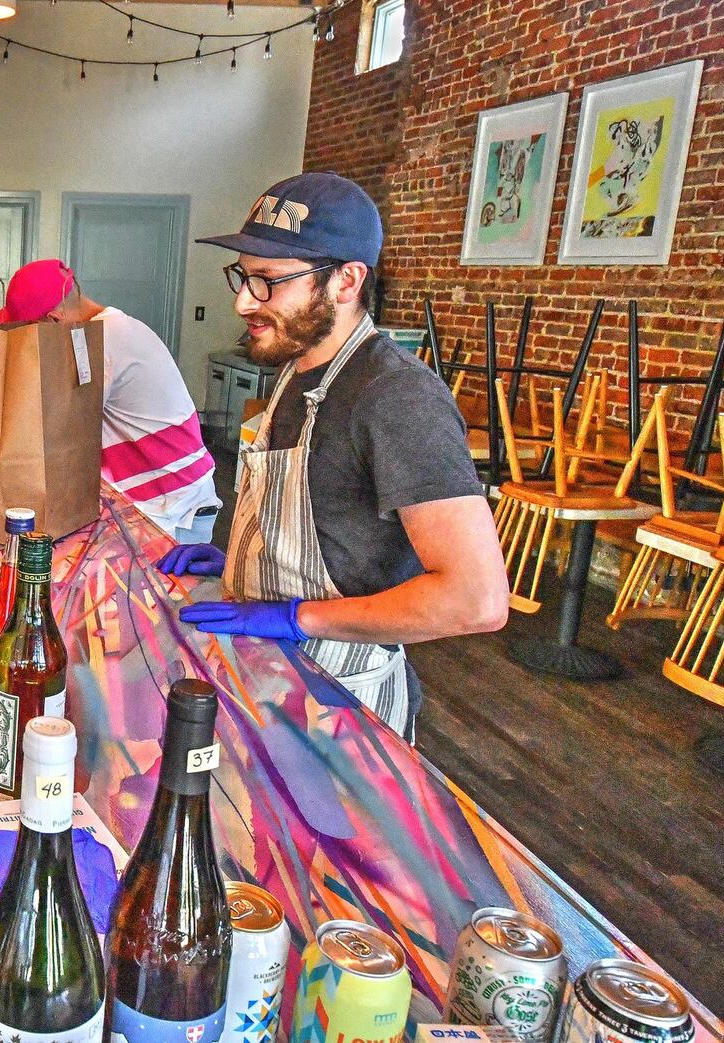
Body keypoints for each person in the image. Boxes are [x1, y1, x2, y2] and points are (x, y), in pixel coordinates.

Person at [161, 172, 507, 739]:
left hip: (342, 707)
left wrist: (296, 617)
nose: (244, 300)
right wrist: (243, 568)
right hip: (272, 683)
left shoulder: (396, 396)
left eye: (268, 281)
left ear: (346, 281)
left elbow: (476, 599)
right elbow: (336, 531)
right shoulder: (297, 368)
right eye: (243, 276)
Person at [0, 259, 221, 542]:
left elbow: (48, 433)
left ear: (53, 320)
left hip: (172, 512)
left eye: (29, 333)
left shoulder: (99, 341)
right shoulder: (112, 329)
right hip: (169, 500)